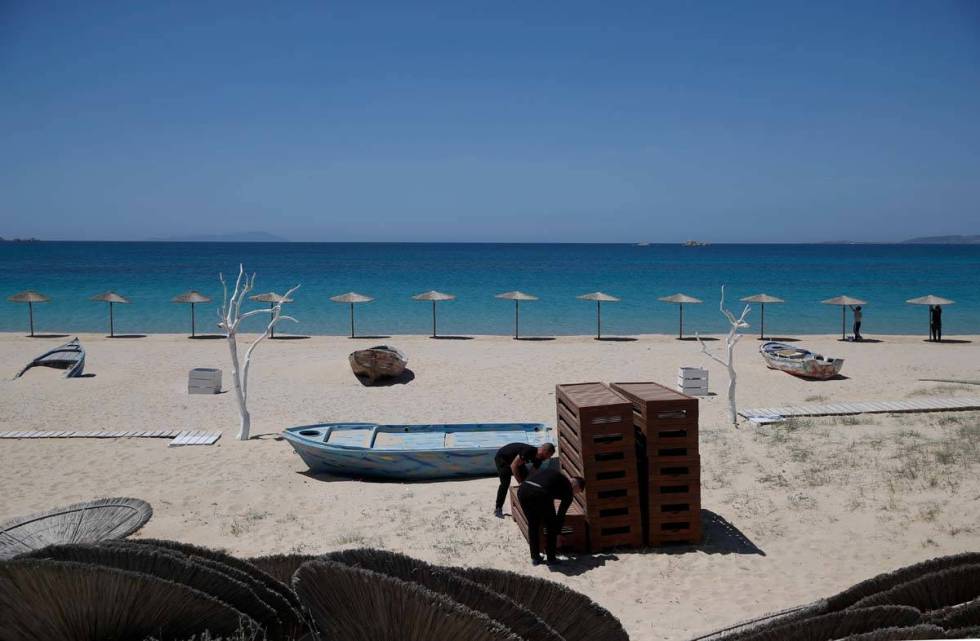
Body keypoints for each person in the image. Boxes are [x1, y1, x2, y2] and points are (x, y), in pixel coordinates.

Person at [517, 468, 586, 565]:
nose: (575, 494)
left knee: (533, 525)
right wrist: (557, 535)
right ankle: (551, 558)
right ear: (576, 486)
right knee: (551, 525)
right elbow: (560, 515)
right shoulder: (569, 490)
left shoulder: (554, 473)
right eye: (577, 492)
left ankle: (535, 557)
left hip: (523, 490)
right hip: (540, 492)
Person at [493, 442, 555, 517]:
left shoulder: (539, 460)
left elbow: (531, 474)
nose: (548, 458)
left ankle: (529, 506)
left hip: (516, 462)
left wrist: (526, 483)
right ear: (545, 451)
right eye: (549, 455)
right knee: (505, 483)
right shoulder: (528, 451)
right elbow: (513, 466)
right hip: (503, 458)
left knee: (527, 482)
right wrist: (520, 483)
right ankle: (498, 508)